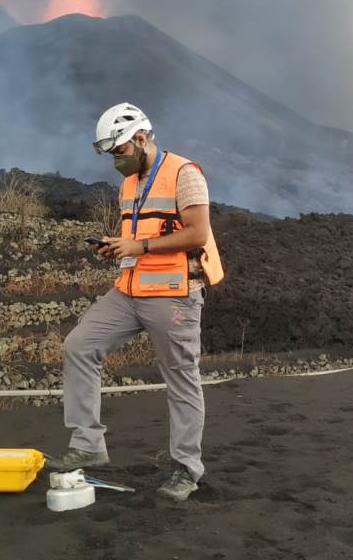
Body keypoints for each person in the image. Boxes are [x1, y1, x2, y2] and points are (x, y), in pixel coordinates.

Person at [48, 102, 224, 502]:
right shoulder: (129, 184)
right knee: (80, 345)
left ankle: (186, 469)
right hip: (129, 289)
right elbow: (138, 234)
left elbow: (197, 234)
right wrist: (119, 248)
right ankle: (89, 444)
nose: (116, 162)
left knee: (180, 377)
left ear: (141, 139)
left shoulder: (185, 174)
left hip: (174, 295)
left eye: (119, 152)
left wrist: (139, 245)